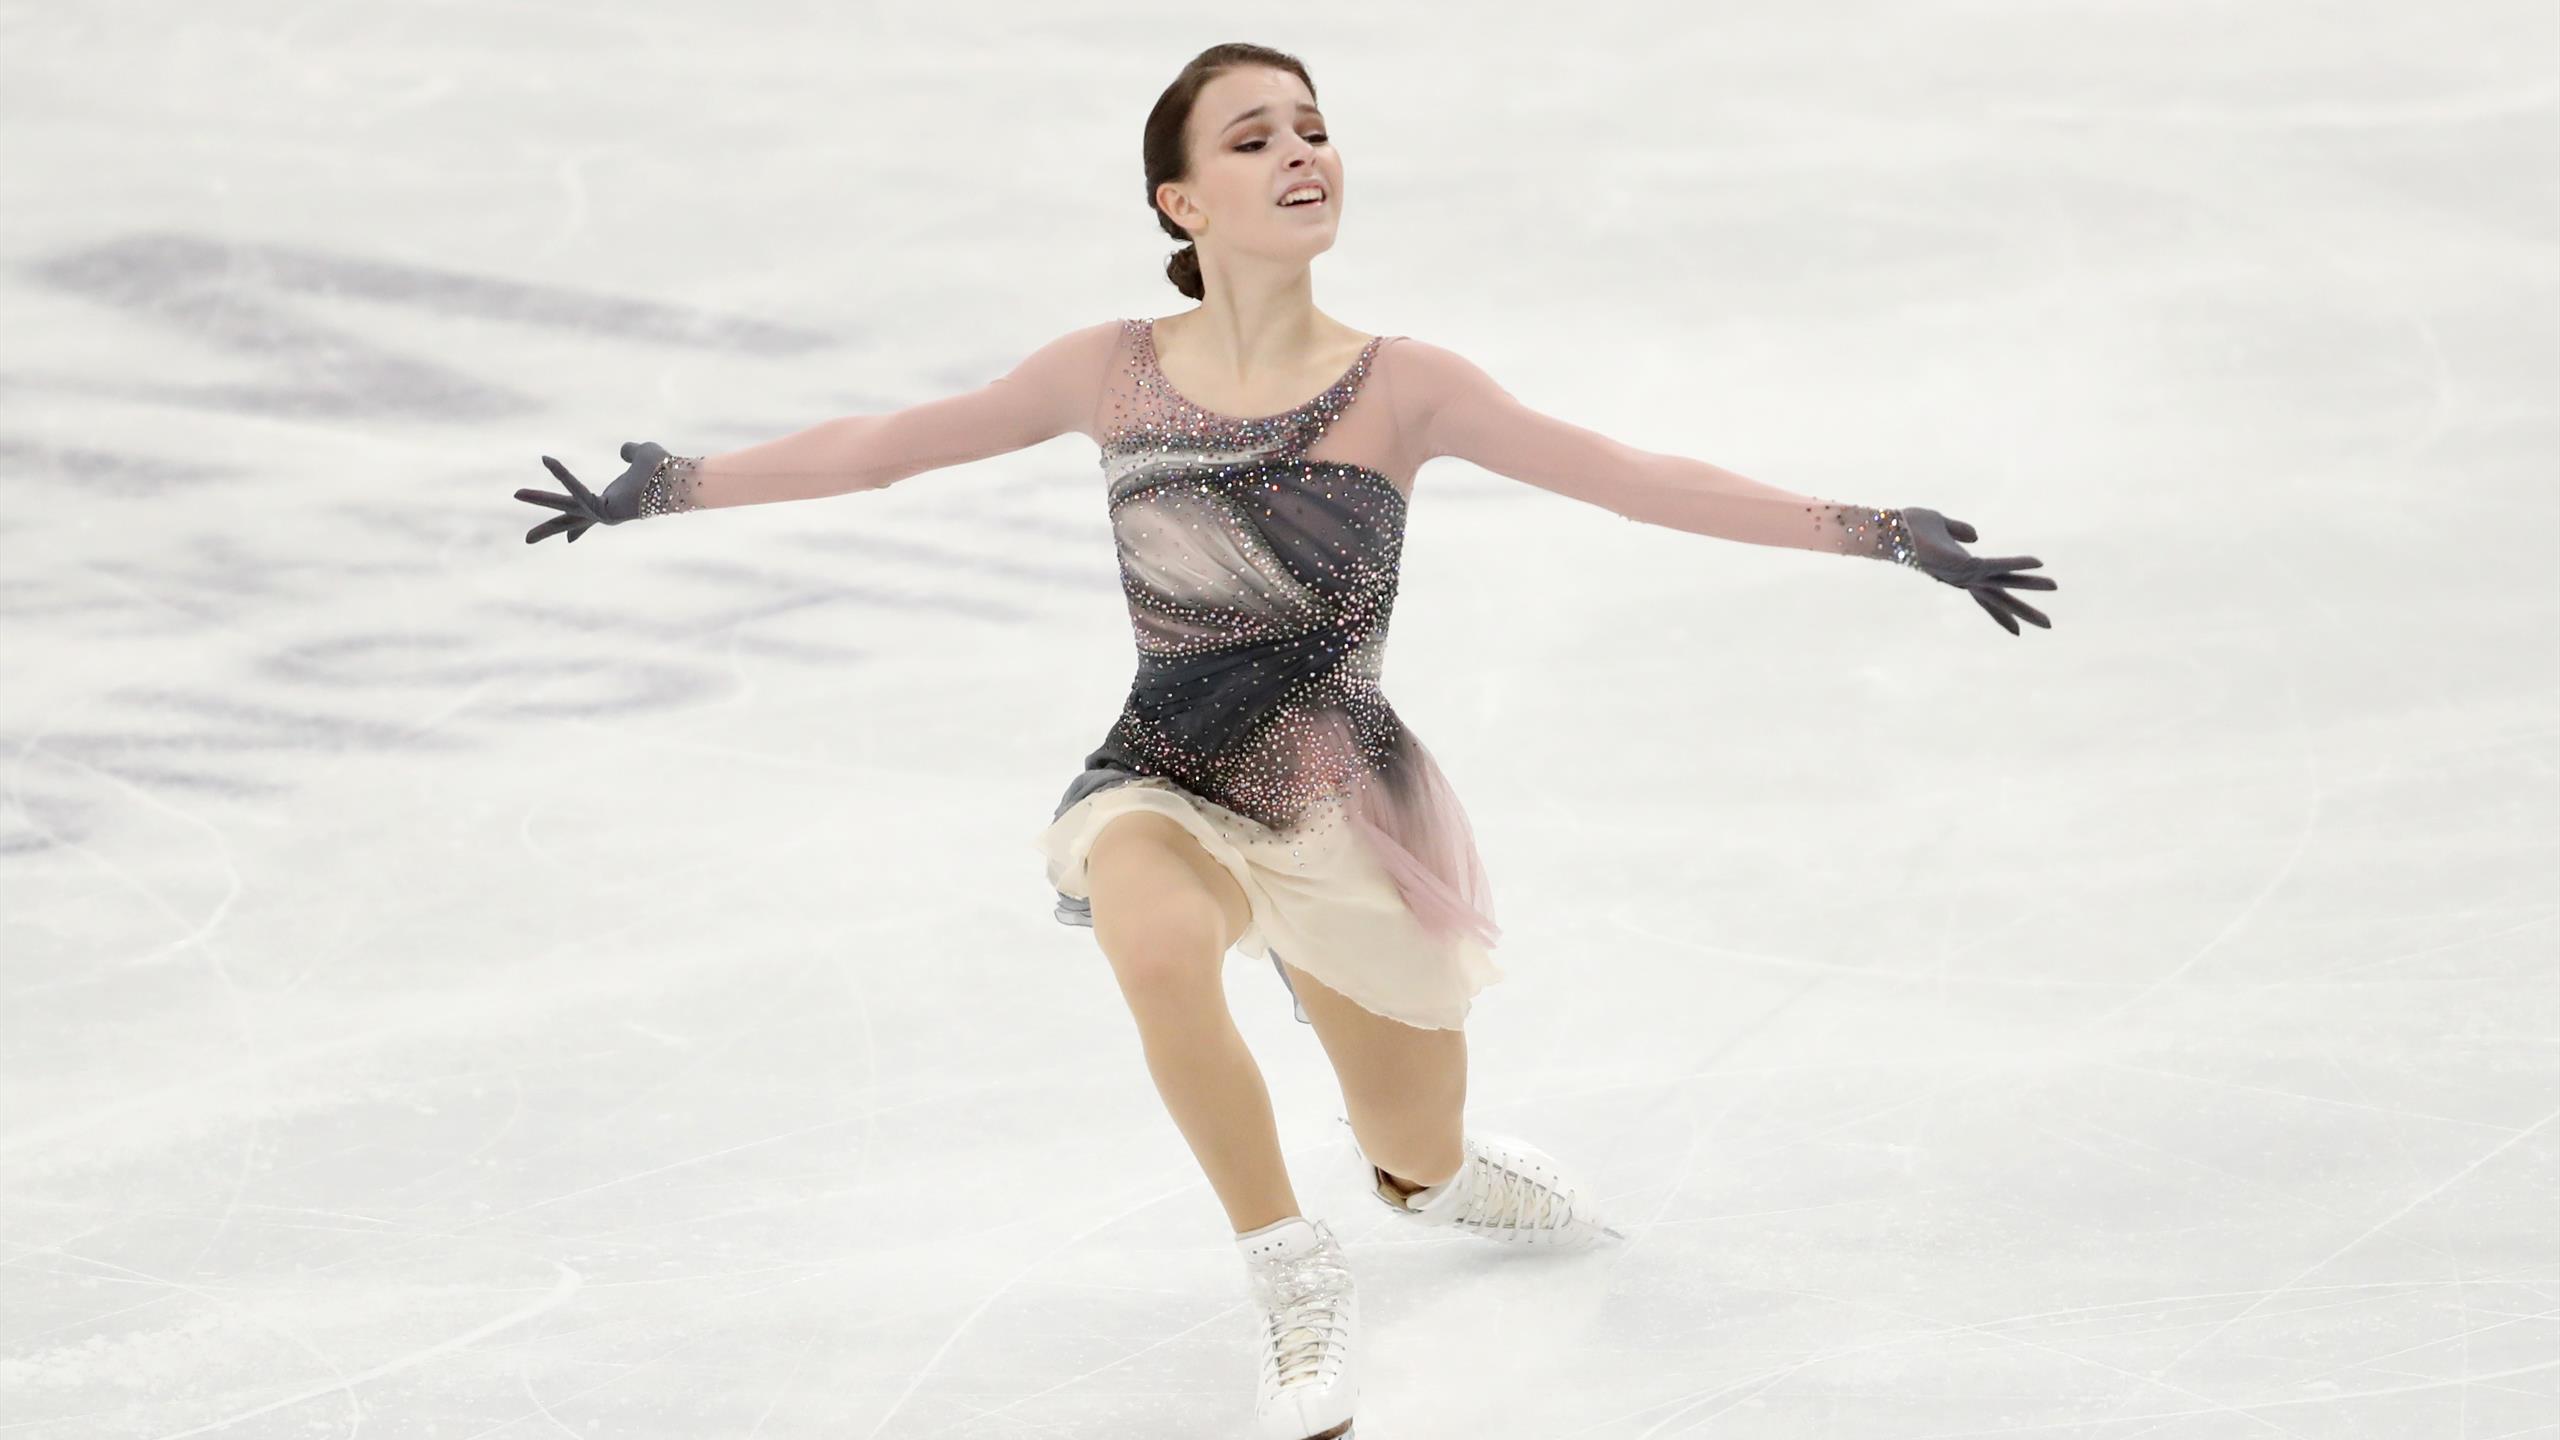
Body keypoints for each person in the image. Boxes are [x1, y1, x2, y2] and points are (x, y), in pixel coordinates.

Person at [514, 40, 2056, 1440]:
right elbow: (885, 449)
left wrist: (1876, 532)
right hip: (1163, 772)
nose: (1302, 154)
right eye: (1254, 139)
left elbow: (1632, 475)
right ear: (1179, 199)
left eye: (1315, 129)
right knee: (1152, 934)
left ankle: (1434, 1178)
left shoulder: (1407, 387)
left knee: (1417, 1145)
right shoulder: (1107, 370)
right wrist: (676, 486)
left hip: (1338, 800)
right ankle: (1288, 1272)